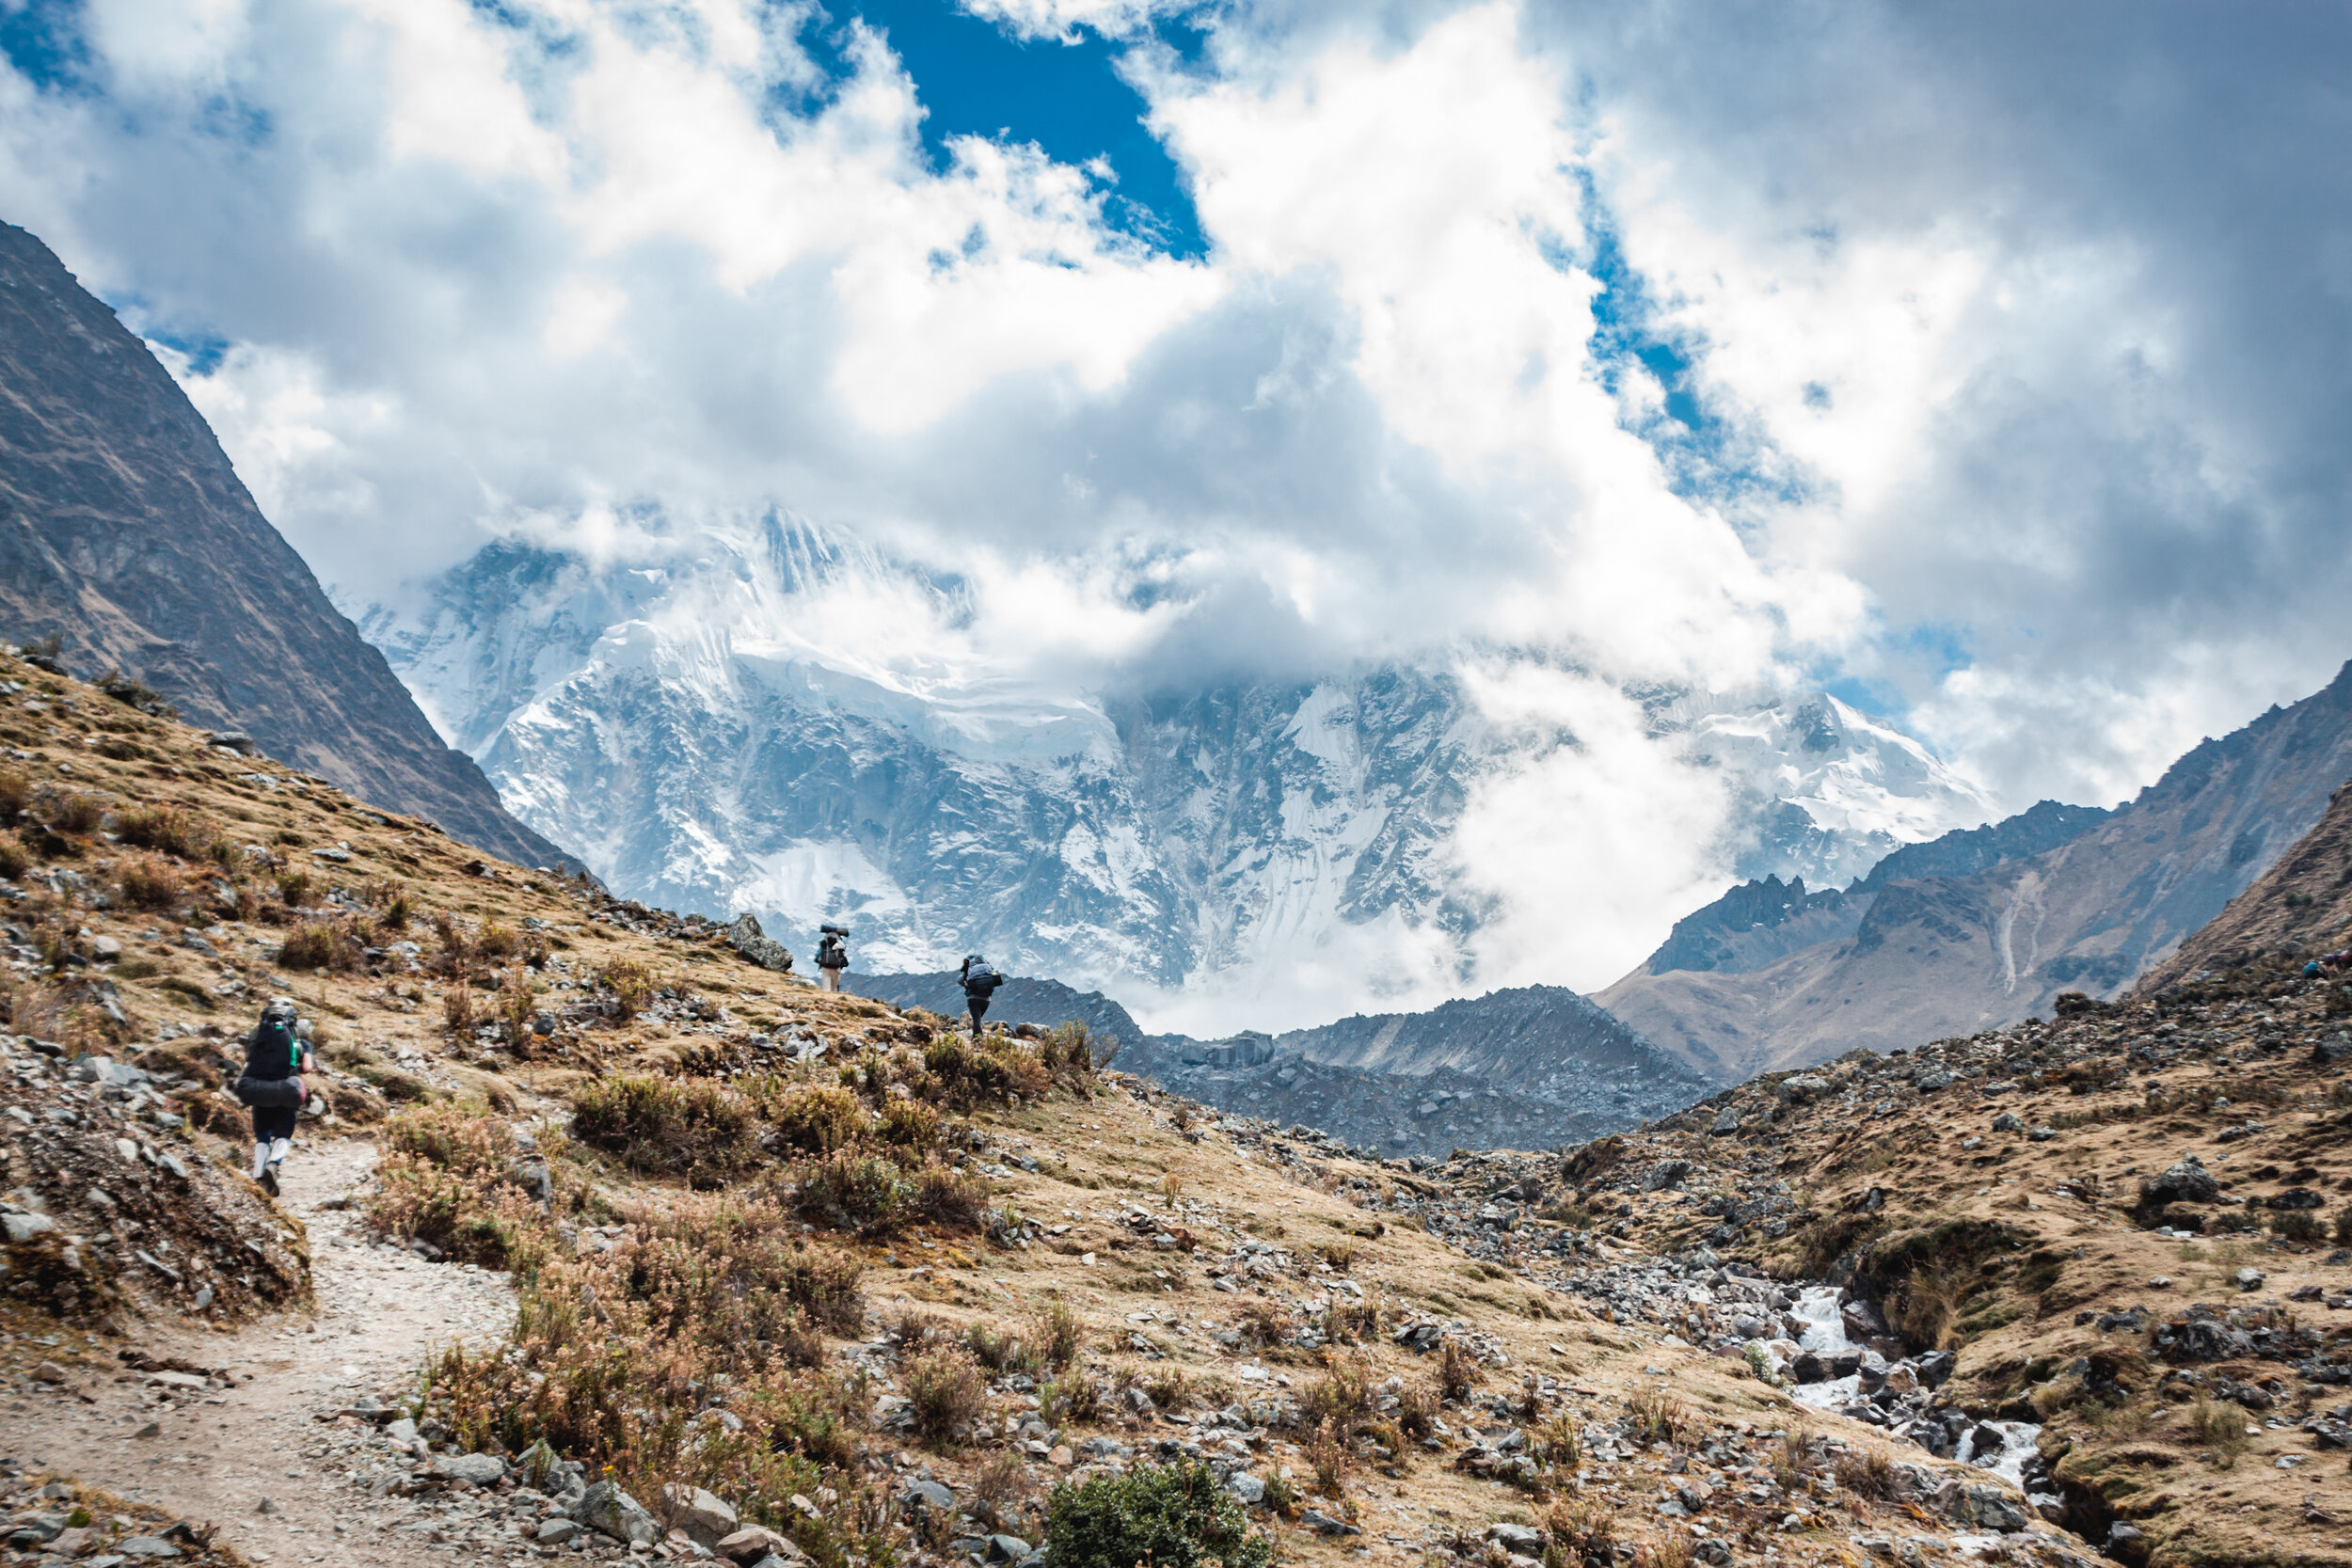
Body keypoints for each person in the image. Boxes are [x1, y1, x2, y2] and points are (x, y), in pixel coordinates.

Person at [233, 996, 310, 1196]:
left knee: (262, 1135)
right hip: (286, 1089)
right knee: (283, 1133)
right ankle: (274, 1164)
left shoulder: (257, 1033)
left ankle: (258, 1175)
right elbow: (307, 1068)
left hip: (258, 1088)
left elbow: (248, 1059)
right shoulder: (299, 1040)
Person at [958, 953, 1004, 1035]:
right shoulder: (987, 967)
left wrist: (966, 986)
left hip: (973, 997)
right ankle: (977, 1036)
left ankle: (978, 1039)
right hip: (986, 999)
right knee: (978, 1019)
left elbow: (960, 980)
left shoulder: (969, 968)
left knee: (976, 1019)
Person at [817, 924, 850, 992]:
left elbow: (820, 953)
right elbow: (842, 954)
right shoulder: (840, 943)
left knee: (826, 988)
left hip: (825, 967)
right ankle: (833, 998)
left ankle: (826, 999)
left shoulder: (824, 942)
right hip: (836, 968)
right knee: (833, 988)